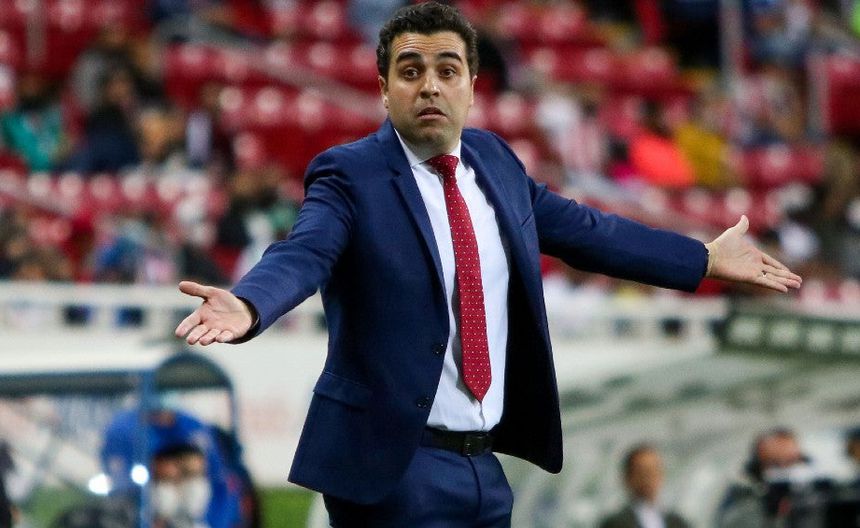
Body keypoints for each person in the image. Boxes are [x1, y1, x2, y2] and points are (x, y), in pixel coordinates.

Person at [175, 3, 802, 526]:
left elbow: (588, 231)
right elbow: (304, 251)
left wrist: (702, 258)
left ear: (473, 86)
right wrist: (251, 302)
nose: (429, 85)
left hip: (485, 468)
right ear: (384, 89)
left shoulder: (495, 163)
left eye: (447, 70)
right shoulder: (350, 175)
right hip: (392, 470)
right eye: (410, 71)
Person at [715, 428, 810, 528]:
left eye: (791, 461)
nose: (784, 470)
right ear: (757, 466)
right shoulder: (742, 497)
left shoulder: (810, 490)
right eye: (775, 464)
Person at [598, 444, 690, 528]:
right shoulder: (615, 523)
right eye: (642, 472)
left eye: (653, 471)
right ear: (627, 478)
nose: (648, 478)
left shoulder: (677, 522)